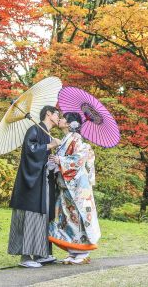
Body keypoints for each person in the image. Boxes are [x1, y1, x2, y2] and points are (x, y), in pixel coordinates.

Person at [7, 105, 63, 268]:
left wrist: (52, 162)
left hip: (44, 182)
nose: (59, 118)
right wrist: (50, 146)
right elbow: (29, 151)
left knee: (43, 216)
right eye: (57, 114)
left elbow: (44, 157)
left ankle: (40, 254)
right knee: (30, 216)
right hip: (31, 184)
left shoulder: (46, 133)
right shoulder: (34, 130)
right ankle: (25, 257)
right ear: (48, 114)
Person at [48, 112, 101, 265]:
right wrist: (55, 162)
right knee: (67, 218)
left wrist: (60, 160)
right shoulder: (66, 140)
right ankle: (73, 251)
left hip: (77, 188)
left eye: (63, 118)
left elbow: (79, 159)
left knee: (78, 217)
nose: (60, 119)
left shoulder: (77, 140)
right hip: (66, 186)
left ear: (70, 123)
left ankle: (83, 252)